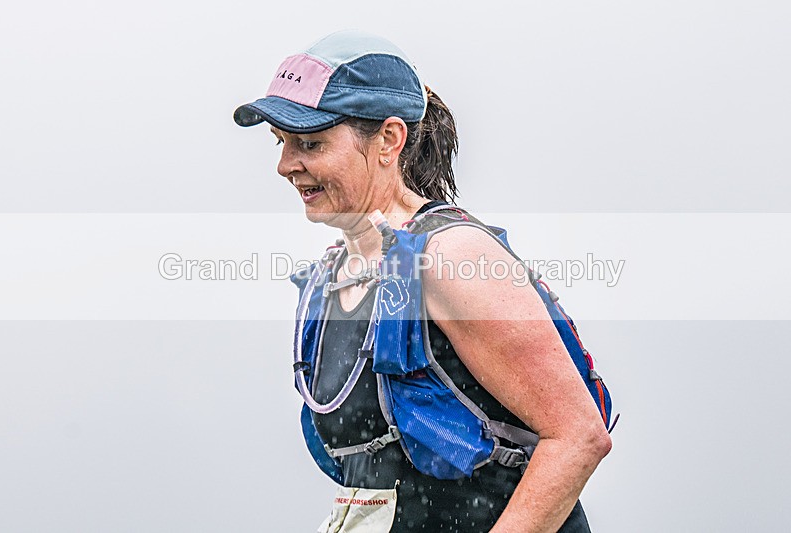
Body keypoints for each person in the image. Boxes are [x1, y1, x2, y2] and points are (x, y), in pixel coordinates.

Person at [234, 30, 612, 532]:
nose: (285, 166)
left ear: (390, 138)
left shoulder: (452, 256)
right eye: (281, 143)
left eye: (311, 143)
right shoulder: (331, 273)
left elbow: (578, 436)